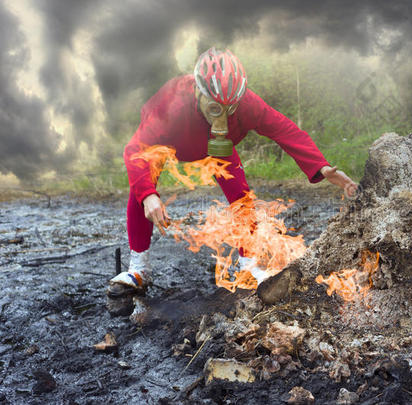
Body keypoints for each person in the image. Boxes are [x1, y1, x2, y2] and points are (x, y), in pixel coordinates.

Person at [107, 47, 358, 299]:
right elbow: (136, 149)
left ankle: (248, 266)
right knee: (140, 190)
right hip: (167, 143)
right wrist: (149, 194)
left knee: (242, 198)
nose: (222, 119)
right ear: (198, 91)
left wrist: (320, 166)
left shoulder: (248, 105)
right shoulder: (171, 104)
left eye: (231, 109)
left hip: (218, 147)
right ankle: (139, 269)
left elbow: (285, 130)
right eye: (215, 109)